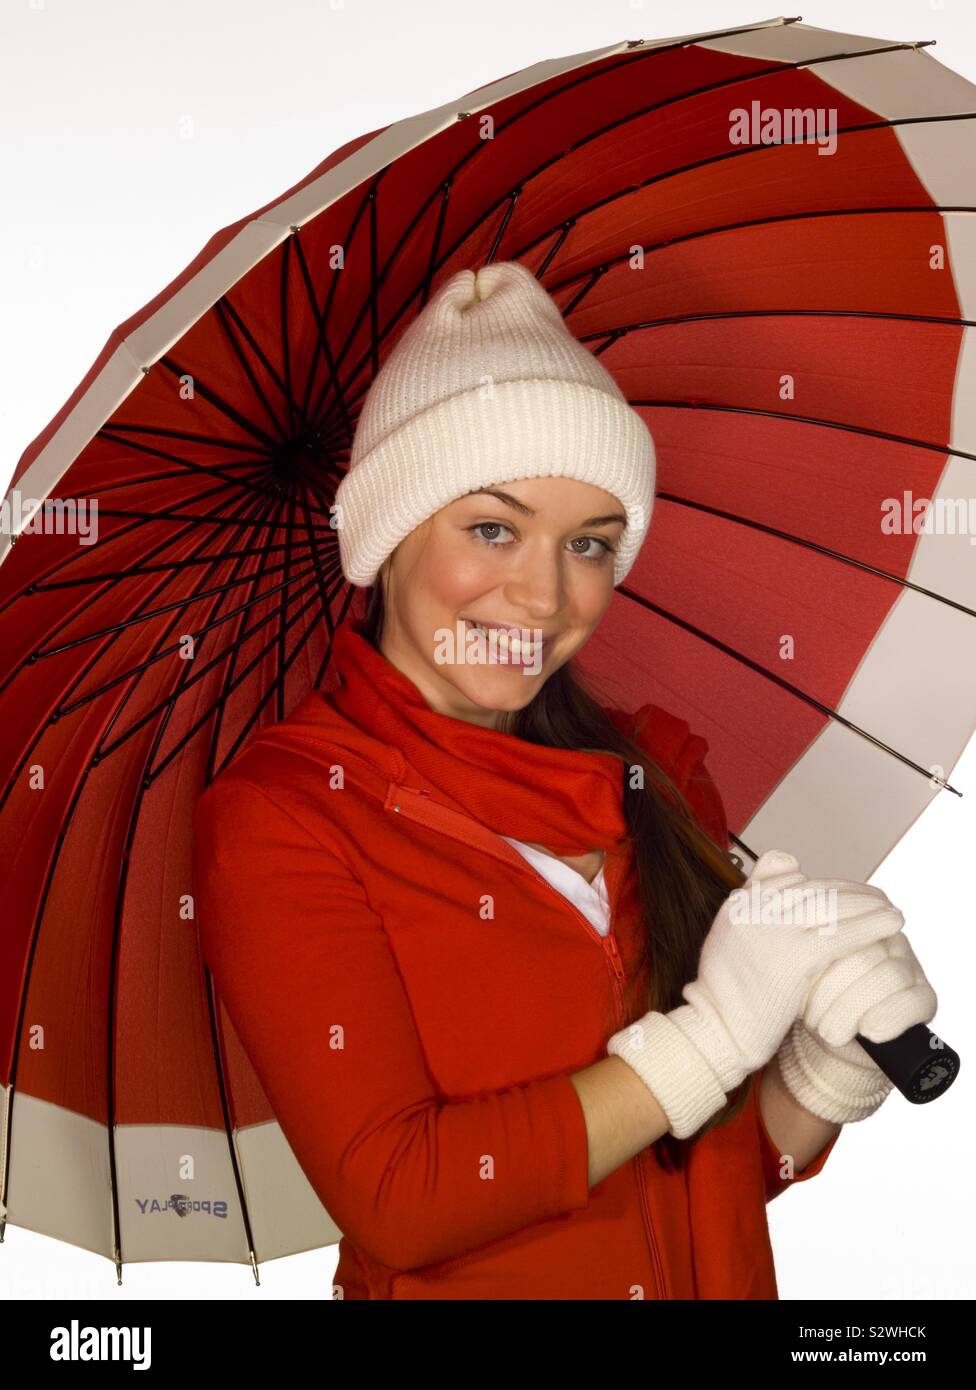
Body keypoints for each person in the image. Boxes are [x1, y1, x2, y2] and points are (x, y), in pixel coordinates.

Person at [192, 260, 937, 1300]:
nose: (545, 595)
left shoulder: (652, 780)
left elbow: (699, 1173)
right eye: (492, 528)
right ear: (387, 536)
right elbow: (401, 1199)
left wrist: (823, 1070)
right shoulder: (284, 818)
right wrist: (715, 1034)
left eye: (588, 543)